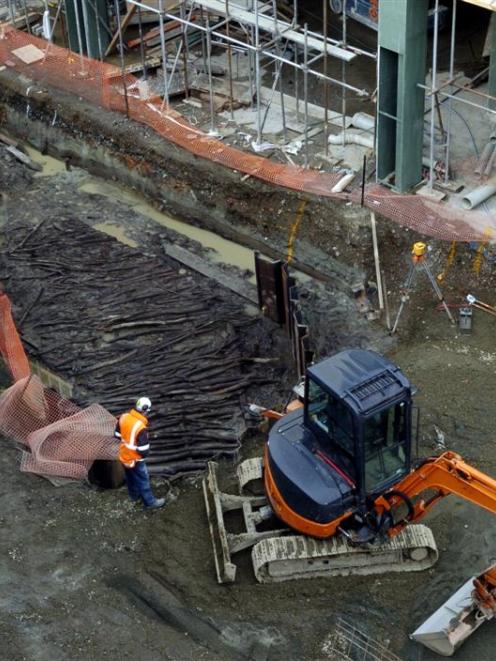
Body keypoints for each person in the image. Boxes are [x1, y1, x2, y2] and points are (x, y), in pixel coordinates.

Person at [115, 397, 165, 509]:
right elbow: (144, 450)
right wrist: (140, 454)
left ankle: (134, 497)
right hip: (136, 459)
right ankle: (150, 502)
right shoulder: (141, 428)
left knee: (130, 478)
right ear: (145, 410)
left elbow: (117, 435)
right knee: (143, 479)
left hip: (124, 456)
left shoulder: (124, 417)